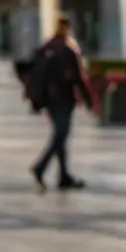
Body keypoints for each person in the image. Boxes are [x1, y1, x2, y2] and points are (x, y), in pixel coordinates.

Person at [30, 17, 92, 192]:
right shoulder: (66, 49)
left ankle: (64, 176)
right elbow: (77, 77)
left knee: (61, 136)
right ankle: (40, 167)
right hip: (63, 99)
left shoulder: (47, 47)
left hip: (49, 100)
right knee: (60, 135)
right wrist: (89, 100)